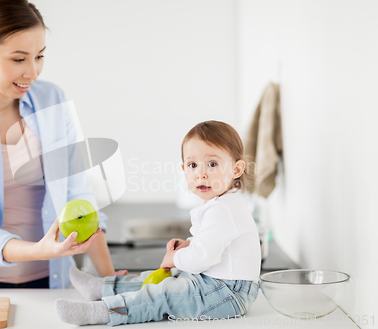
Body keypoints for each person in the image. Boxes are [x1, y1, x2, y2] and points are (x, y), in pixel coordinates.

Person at [0, 0, 125, 289]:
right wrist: (39, 250)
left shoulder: (52, 100)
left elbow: (78, 196)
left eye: (39, 56)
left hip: (50, 279)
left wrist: (108, 278)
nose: (32, 72)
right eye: (18, 59)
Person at [55, 120, 262, 326]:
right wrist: (188, 244)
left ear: (236, 169)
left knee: (163, 293)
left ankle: (102, 312)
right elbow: (211, 244)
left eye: (212, 164)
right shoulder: (222, 203)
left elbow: (201, 258)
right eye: (192, 165)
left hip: (228, 294)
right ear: (184, 169)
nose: (201, 173)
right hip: (216, 285)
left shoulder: (222, 209)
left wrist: (175, 257)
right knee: (155, 279)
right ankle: (101, 288)